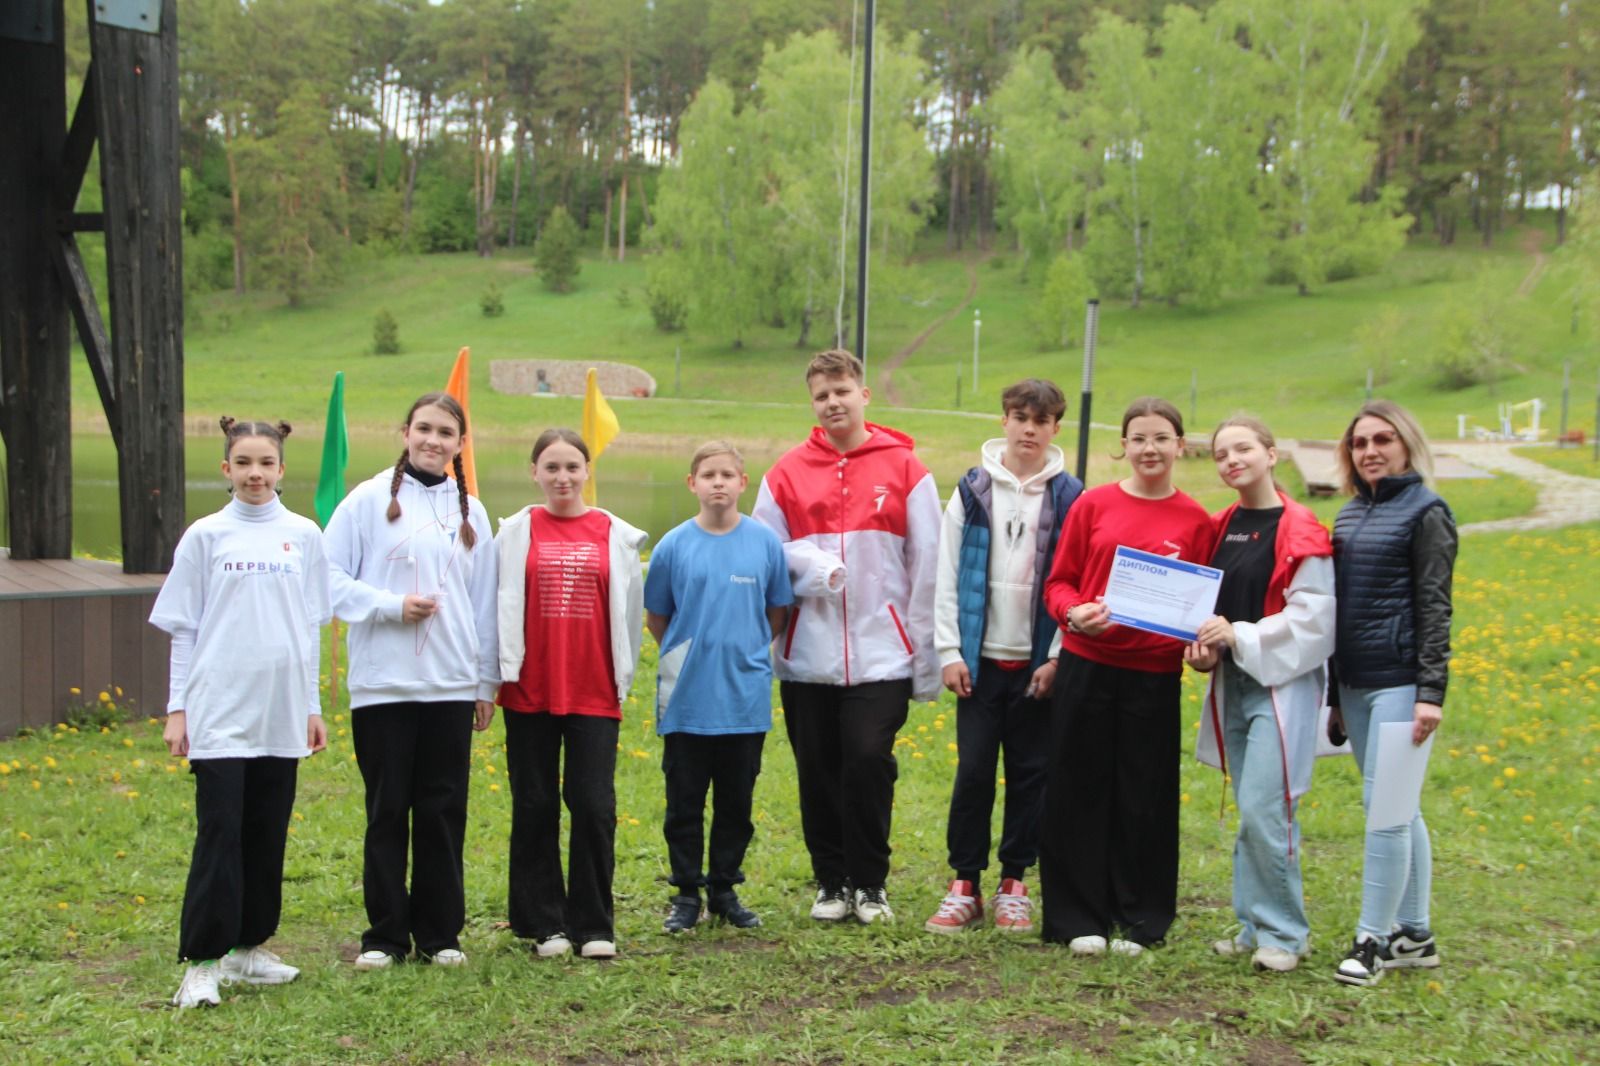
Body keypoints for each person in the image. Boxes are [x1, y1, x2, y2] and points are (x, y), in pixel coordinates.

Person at [752, 348, 941, 924]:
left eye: (842, 390)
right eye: (821, 395)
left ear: (863, 394)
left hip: (883, 652)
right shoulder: (784, 473)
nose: (833, 402)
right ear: (812, 403)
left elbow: (929, 561)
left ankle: (871, 882)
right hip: (808, 654)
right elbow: (765, 554)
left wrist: (926, 656)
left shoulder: (907, 469)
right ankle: (831, 880)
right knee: (818, 766)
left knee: (866, 759)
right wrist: (812, 569)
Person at [152, 418, 331, 1008]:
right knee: (221, 831)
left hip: (279, 712)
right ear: (226, 469)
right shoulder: (205, 536)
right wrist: (178, 709)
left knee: (265, 832)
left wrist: (311, 706)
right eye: (244, 463)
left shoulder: (304, 534)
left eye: (266, 463)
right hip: (219, 708)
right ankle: (203, 962)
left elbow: (308, 629)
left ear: (282, 469)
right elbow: (184, 629)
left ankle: (248, 949)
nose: (256, 473)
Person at [324, 393, 499, 971]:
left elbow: (484, 606)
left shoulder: (473, 511)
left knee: (443, 810)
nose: (433, 440)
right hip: (384, 687)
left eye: (446, 432)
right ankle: (385, 936)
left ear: (460, 443)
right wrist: (388, 605)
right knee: (388, 810)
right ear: (405, 432)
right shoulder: (368, 501)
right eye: (424, 428)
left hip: (448, 686)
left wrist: (484, 682)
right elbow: (324, 579)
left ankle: (440, 933)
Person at [1040, 397, 1216, 955]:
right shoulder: (1093, 505)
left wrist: (1202, 650)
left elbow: (1203, 609)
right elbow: (1058, 583)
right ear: (1124, 445)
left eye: (1161, 437)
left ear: (1180, 446)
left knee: (1144, 796)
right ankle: (1076, 919)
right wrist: (1073, 615)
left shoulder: (1197, 521)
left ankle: (1139, 916)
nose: (1149, 448)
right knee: (1077, 790)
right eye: (1138, 438)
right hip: (1087, 667)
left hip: (1154, 677)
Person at [925, 380, 1082, 935]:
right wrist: (950, 649)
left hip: (1036, 664)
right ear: (1004, 421)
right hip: (980, 664)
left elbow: (1078, 581)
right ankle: (964, 882)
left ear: (1056, 428)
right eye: (1020, 417)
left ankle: (1014, 882)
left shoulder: (1071, 497)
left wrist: (1060, 656)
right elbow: (947, 576)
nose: (1030, 429)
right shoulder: (972, 491)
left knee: (1030, 775)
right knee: (972, 773)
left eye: (1042, 420)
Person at [1183, 416, 1335, 974]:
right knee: (1251, 807)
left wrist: (1239, 636)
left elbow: (1314, 621)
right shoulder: (1222, 527)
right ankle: (1252, 925)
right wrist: (1205, 650)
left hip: (1281, 688)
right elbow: (1207, 612)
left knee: (1265, 809)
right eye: (1221, 453)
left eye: (1243, 448)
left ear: (1271, 454)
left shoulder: (1301, 530)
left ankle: (1285, 933)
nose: (1231, 460)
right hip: (1236, 683)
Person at [495, 428, 647, 960]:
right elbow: (497, 606)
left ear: (587, 471)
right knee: (534, 804)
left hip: (593, 691)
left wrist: (622, 677)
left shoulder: (615, 534)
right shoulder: (515, 532)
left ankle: (593, 924)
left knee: (593, 805)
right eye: (551, 467)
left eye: (572, 467)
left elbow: (629, 614)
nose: (562, 477)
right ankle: (545, 924)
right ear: (534, 472)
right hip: (529, 689)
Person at [1326, 400, 1456, 986]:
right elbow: (1336, 611)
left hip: (1401, 681)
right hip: (1355, 682)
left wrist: (1431, 691)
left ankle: (1372, 941)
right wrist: (1333, 694)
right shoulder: (1349, 516)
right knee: (1399, 808)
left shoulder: (1427, 511)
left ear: (1406, 443)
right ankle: (1415, 932)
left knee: (1386, 813)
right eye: (1360, 443)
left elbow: (1434, 605)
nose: (1371, 451)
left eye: (1383, 439)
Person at [645, 441, 793, 933]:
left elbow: (776, 613)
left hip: (743, 698)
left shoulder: (764, 543)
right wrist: (691, 654)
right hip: (688, 699)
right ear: (692, 483)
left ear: (742, 483)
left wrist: (746, 648)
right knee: (683, 801)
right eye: (708, 475)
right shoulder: (672, 546)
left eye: (727, 475)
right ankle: (686, 893)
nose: (718, 483)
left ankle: (724, 888)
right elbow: (658, 617)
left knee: (737, 802)